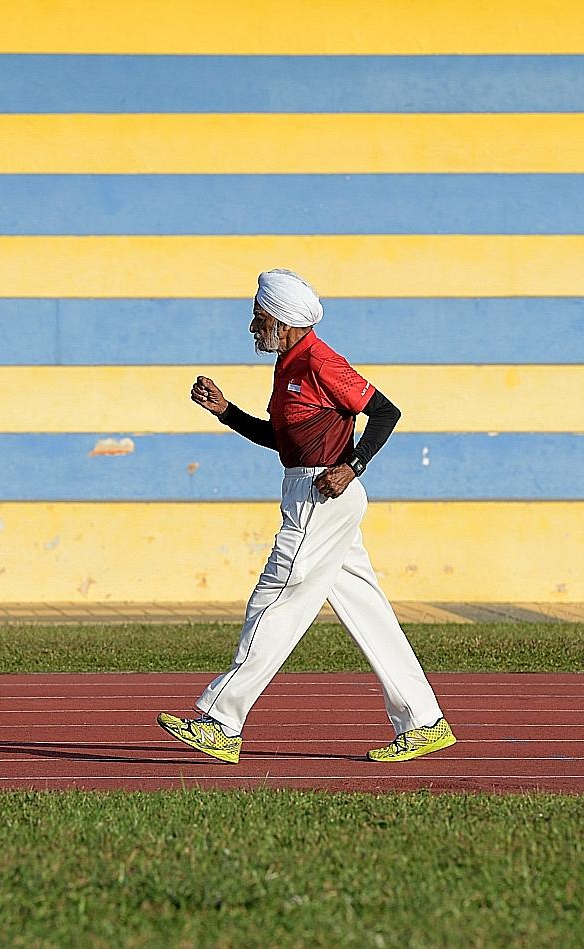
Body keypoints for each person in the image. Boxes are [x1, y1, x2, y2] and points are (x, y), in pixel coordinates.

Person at [157, 269, 454, 765]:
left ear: (282, 319)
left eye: (258, 317)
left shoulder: (319, 360)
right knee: (366, 608)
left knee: (275, 598)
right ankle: (424, 721)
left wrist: (351, 466)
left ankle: (221, 721)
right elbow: (284, 440)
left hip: (323, 495)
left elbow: (385, 412)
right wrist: (227, 411)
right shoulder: (287, 365)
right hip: (307, 489)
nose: (253, 327)